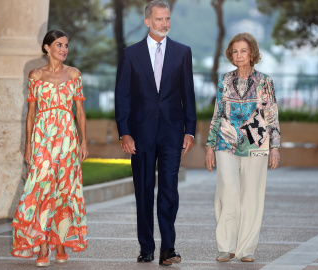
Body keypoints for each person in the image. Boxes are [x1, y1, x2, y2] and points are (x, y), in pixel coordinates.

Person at [114, 0, 196, 266]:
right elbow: (122, 97)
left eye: (167, 19)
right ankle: (147, 247)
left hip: (172, 134)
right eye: (160, 19)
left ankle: (168, 249)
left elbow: (188, 95)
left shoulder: (183, 52)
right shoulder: (130, 54)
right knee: (144, 191)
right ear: (148, 21)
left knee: (169, 191)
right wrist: (124, 132)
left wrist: (190, 130)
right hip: (140, 134)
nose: (165, 24)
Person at [11, 29, 89, 267]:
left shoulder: (74, 74)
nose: (64, 49)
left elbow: (80, 113)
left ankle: (61, 241)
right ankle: (43, 245)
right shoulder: (35, 75)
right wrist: (27, 145)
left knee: (65, 188)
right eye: (59, 45)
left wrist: (83, 141)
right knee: (40, 188)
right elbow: (31, 114)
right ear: (47, 48)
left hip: (67, 138)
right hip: (42, 138)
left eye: (66, 45)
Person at [205, 32, 281, 263]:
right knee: (227, 191)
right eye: (235, 51)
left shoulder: (265, 81)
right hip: (225, 140)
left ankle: (246, 248)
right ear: (231, 54)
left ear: (252, 54)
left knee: (252, 194)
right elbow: (217, 113)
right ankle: (225, 246)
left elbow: (272, 115)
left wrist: (275, 147)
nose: (239, 55)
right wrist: (209, 145)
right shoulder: (224, 80)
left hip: (256, 141)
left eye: (244, 51)